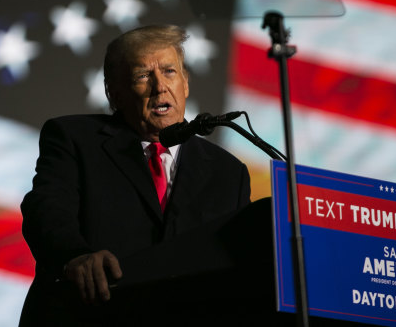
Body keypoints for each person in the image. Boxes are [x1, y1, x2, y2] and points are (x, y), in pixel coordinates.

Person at [18, 24, 251, 326]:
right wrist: (74, 257)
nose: (159, 87)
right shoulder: (75, 139)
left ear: (185, 83)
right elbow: (46, 210)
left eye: (169, 72)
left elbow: (239, 267)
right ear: (114, 93)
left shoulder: (228, 173)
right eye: (143, 76)